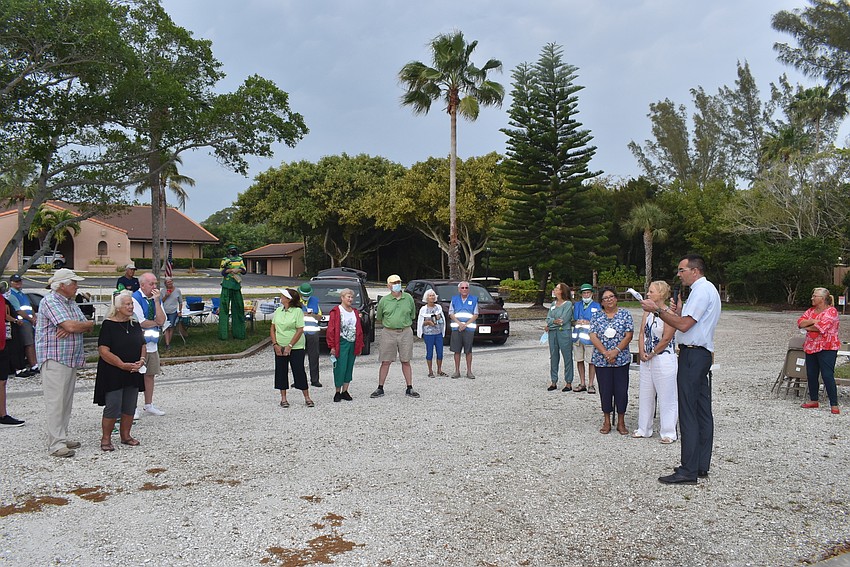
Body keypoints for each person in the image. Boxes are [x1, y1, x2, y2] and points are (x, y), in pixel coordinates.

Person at [640, 254, 721, 485]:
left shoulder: (701, 290)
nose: (679, 274)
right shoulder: (708, 290)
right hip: (701, 352)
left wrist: (657, 310)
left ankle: (688, 470)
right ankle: (700, 464)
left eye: (681, 270)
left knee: (688, 411)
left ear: (695, 271)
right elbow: (688, 319)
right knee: (702, 410)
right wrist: (679, 311)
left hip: (693, 354)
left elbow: (685, 325)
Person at [35, 268, 94, 457]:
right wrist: (73, 326)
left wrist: (77, 327)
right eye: (73, 283)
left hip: (70, 357)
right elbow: (71, 325)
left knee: (66, 401)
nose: (77, 286)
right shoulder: (50, 301)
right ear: (62, 286)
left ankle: (62, 435)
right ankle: (56, 443)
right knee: (55, 401)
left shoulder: (70, 303)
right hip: (55, 358)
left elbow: (88, 324)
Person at [94, 291, 146, 451]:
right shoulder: (108, 325)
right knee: (113, 405)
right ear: (118, 307)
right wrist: (121, 364)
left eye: (131, 304)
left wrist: (142, 360)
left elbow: (142, 344)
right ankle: (106, 438)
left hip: (133, 370)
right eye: (127, 304)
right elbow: (103, 350)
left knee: (130, 405)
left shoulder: (134, 324)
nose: (131, 307)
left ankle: (126, 435)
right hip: (113, 372)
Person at [634, 280, 678, 443]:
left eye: (651, 292)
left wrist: (652, 352)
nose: (648, 294)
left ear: (660, 294)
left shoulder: (669, 314)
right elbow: (641, 333)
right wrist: (641, 351)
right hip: (647, 359)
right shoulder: (647, 312)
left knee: (667, 396)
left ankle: (668, 432)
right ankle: (644, 428)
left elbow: (667, 338)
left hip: (663, 358)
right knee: (645, 394)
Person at [589, 286, 634, 436]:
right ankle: (607, 420)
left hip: (621, 359)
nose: (609, 300)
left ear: (616, 298)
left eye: (611, 297)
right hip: (602, 360)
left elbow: (628, 335)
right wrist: (605, 353)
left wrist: (616, 351)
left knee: (621, 391)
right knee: (605, 390)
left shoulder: (625, 314)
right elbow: (593, 335)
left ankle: (621, 421)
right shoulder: (596, 316)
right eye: (605, 298)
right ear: (601, 302)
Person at [371, 275, 419, 398]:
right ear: (388, 286)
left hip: (405, 332)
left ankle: (409, 387)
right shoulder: (384, 301)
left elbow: (412, 314)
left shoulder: (408, 298)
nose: (396, 284)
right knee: (385, 361)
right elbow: (380, 317)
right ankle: (380, 387)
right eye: (393, 283)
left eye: (398, 282)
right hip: (388, 332)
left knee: (406, 360)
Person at [797, 287, 841, 415]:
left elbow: (821, 327)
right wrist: (812, 321)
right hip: (811, 346)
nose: (812, 298)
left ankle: (834, 404)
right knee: (811, 374)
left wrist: (808, 326)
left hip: (827, 347)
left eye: (814, 296)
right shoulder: (811, 311)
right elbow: (800, 322)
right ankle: (814, 400)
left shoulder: (831, 311)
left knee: (827, 375)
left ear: (822, 299)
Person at [271, 288, 314, 408]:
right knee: (281, 371)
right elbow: (273, 328)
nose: (281, 297)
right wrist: (275, 344)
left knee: (299, 370)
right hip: (280, 345)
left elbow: (300, 329)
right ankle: (283, 398)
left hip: (296, 347)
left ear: (289, 299)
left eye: (283, 296)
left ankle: (307, 397)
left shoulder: (297, 311)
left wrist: (290, 346)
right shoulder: (278, 310)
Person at [132, 272, 166, 417]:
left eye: (155, 284)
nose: (154, 287)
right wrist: (156, 323)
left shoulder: (155, 299)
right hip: (138, 344)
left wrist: (157, 302)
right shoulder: (135, 299)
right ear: (142, 284)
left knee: (150, 374)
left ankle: (148, 404)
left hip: (152, 344)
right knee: (135, 376)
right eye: (151, 284)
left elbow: (162, 319)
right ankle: (131, 407)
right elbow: (141, 322)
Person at [326, 288, 364, 402]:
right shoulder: (336, 311)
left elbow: (359, 329)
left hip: (352, 342)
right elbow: (331, 329)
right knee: (340, 367)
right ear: (342, 297)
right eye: (348, 297)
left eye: (352, 297)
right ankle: (337, 391)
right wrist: (332, 345)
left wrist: (360, 345)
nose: (350, 299)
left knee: (349, 366)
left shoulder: (355, 312)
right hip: (341, 342)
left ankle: (345, 391)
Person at [0, 290, 25, 427]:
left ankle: (2, 415)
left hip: (2, 345)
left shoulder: (2, 300)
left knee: (2, 381)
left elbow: (5, 316)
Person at [6, 274, 39, 377]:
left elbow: (29, 307)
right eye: (16, 281)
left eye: (19, 281)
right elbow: (18, 310)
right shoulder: (12, 295)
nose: (18, 283)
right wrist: (30, 319)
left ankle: (34, 363)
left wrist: (34, 317)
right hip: (23, 322)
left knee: (32, 343)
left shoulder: (22, 294)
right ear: (11, 282)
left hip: (29, 321)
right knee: (28, 344)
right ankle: (33, 364)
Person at [546, 283, 575, 391]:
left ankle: (568, 382)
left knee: (567, 357)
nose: (554, 289)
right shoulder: (553, 304)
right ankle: (554, 381)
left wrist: (551, 323)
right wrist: (553, 322)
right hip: (552, 333)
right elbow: (548, 319)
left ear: (562, 291)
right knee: (553, 356)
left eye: (557, 288)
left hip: (564, 333)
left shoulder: (567, 304)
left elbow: (564, 320)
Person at [572, 283, 601, 393]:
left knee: (591, 361)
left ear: (592, 294)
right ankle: (582, 382)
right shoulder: (577, 305)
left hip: (590, 338)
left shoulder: (597, 306)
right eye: (584, 293)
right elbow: (572, 320)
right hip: (577, 337)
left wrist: (589, 322)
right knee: (579, 360)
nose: (586, 294)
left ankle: (591, 384)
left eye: (588, 292)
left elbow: (599, 322)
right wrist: (576, 321)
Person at [449, 280, 479, 379]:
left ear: (469, 289)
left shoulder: (474, 299)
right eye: (462, 288)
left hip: (469, 329)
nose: (464, 289)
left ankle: (469, 371)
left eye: (466, 288)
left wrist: (465, 324)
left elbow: (476, 314)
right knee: (456, 351)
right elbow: (451, 313)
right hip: (456, 329)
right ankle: (457, 371)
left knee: (468, 351)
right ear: (459, 289)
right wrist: (459, 324)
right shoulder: (454, 299)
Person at [416, 289, 447, 378]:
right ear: (426, 298)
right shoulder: (423, 309)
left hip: (438, 333)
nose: (432, 297)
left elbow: (442, 320)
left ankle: (439, 370)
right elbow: (421, 322)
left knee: (440, 352)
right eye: (430, 296)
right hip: (428, 334)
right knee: (429, 352)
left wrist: (438, 318)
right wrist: (428, 323)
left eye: (433, 295)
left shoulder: (438, 307)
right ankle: (430, 371)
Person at [218, 245, 247, 340]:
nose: (233, 251)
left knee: (238, 308)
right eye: (231, 250)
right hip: (227, 286)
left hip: (236, 286)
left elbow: (244, 270)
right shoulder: (225, 259)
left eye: (234, 250)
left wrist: (238, 270)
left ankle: (239, 333)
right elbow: (222, 271)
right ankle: (223, 335)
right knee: (224, 309)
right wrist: (230, 270)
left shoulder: (240, 259)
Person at [298, 282, 323, 388]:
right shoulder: (296, 302)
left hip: (313, 333)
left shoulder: (314, 301)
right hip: (300, 333)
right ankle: (299, 380)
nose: (306, 297)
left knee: (314, 357)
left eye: (308, 295)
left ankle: (315, 380)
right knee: (298, 357)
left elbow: (320, 317)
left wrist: (313, 315)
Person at [161, 277, 183, 350]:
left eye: (171, 282)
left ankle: (168, 343)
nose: (170, 283)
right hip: (165, 311)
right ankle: (167, 344)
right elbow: (160, 302)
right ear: (165, 284)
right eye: (168, 282)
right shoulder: (163, 291)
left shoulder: (177, 291)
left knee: (171, 327)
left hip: (173, 311)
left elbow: (180, 302)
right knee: (166, 327)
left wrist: (180, 311)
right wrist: (166, 296)